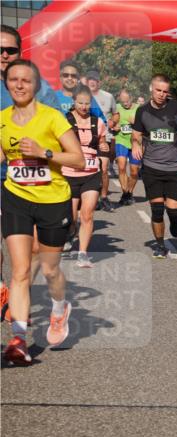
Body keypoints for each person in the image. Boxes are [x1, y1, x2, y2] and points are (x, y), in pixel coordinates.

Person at [1, 59, 85, 365]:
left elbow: (78, 161)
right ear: (7, 83)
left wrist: (43, 153)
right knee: (20, 270)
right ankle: (19, 340)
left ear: (36, 85)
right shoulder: (2, 119)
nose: (19, 85)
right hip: (15, 197)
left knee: (49, 269)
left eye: (26, 80)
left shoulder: (53, 119)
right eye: (13, 80)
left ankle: (59, 307)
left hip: (53, 200)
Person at [131, 74, 177, 258]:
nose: (161, 94)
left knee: (173, 210)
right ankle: (160, 245)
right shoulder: (142, 111)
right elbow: (136, 133)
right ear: (151, 88)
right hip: (151, 167)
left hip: (174, 167)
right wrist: (135, 144)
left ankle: (174, 220)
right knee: (157, 210)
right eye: (158, 90)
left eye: (165, 91)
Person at [62, 84, 110, 268]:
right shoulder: (64, 121)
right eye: (80, 103)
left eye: (87, 103)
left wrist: (103, 147)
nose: (84, 107)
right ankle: (70, 233)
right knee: (71, 218)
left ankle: (83, 254)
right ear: (73, 102)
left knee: (87, 215)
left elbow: (102, 143)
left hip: (91, 173)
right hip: (69, 173)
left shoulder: (96, 122)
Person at [85, 70, 115, 212]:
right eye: (90, 79)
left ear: (99, 82)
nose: (92, 81)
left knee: (103, 168)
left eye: (95, 79)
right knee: (90, 169)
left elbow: (116, 114)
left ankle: (104, 198)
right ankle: (91, 198)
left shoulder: (108, 97)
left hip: (104, 136)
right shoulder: (81, 95)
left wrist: (113, 122)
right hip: (86, 138)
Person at [111, 89, 140, 207]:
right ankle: (125, 193)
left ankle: (130, 192)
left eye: (127, 101)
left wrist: (137, 122)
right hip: (121, 140)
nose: (125, 104)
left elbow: (146, 124)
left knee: (134, 171)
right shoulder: (116, 108)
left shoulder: (139, 108)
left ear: (131, 98)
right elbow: (110, 122)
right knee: (121, 167)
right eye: (123, 102)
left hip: (136, 142)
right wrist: (114, 126)